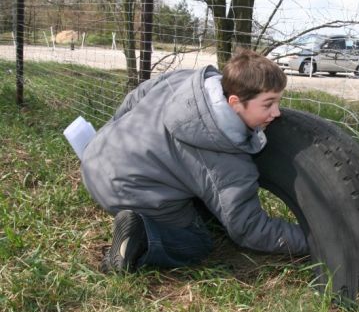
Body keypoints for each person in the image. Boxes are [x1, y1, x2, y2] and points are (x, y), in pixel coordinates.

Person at [80, 49, 309, 273]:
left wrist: (111, 129)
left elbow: (136, 96)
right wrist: (313, 241)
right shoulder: (225, 160)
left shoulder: (188, 80)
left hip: (96, 156)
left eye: (278, 102)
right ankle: (143, 236)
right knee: (199, 243)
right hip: (126, 189)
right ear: (235, 102)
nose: (277, 113)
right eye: (268, 104)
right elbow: (248, 228)